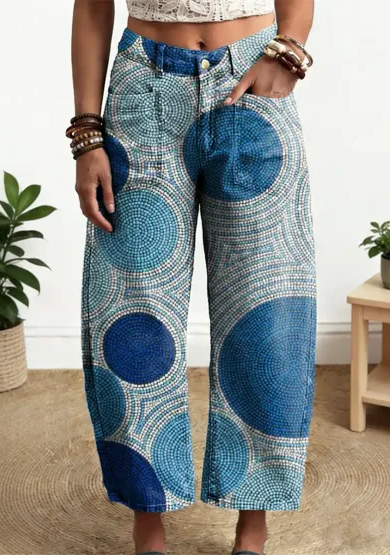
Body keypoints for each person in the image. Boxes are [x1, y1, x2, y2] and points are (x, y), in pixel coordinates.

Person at [68, 0, 317, 553]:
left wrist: (289, 50)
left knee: (267, 313)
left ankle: (253, 522)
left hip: (252, 78)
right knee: (134, 313)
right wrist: (87, 135)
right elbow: (91, 7)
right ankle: (148, 519)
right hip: (143, 92)